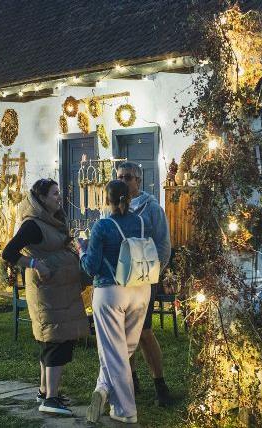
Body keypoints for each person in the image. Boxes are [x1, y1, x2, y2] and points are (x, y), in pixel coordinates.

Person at [1, 178, 88, 417]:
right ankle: (50, 398)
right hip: (47, 291)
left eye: (59, 193)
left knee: (52, 339)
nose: (58, 197)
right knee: (55, 341)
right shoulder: (33, 225)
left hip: (59, 290)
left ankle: (45, 391)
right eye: (54, 194)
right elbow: (8, 252)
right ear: (41, 199)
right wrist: (34, 263)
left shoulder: (52, 221)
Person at [79, 180, 153, 424]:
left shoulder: (102, 226)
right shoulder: (142, 222)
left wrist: (81, 250)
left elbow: (91, 267)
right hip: (141, 289)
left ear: (106, 200)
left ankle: (125, 411)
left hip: (111, 291)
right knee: (124, 350)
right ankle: (102, 388)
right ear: (129, 197)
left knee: (114, 353)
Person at [116, 162, 173, 406]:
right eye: (119, 177)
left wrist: (153, 273)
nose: (124, 181)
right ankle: (132, 380)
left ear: (138, 181)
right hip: (120, 281)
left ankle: (160, 384)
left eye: (128, 177)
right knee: (123, 333)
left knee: (144, 333)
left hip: (144, 280)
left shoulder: (152, 209)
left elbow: (163, 244)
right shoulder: (114, 208)